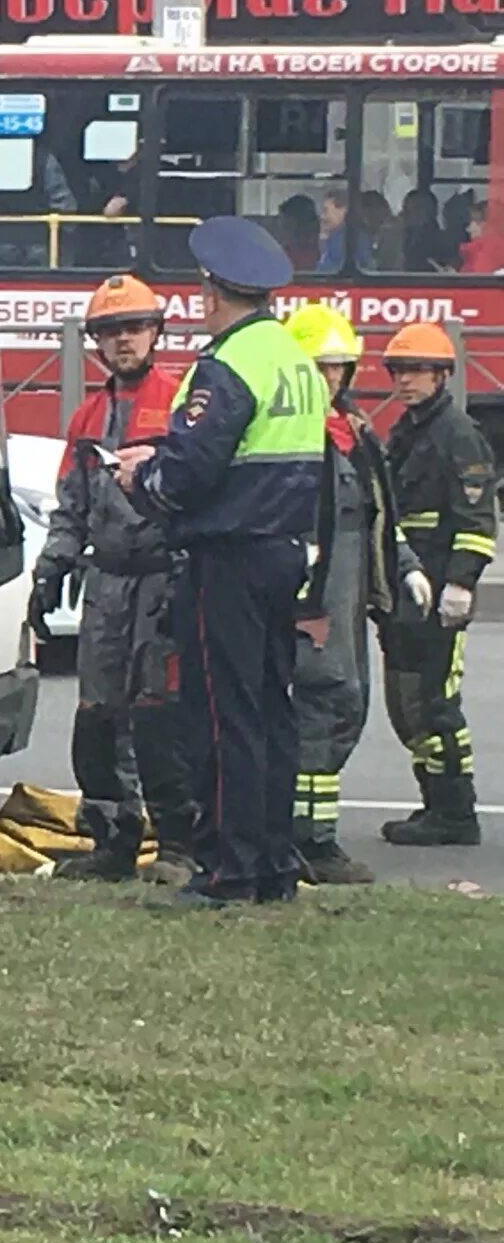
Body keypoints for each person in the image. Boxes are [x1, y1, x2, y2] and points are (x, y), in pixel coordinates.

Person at [115, 216, 325, 907]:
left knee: (219, 715)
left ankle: (225, 871)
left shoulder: (226, 365)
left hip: (226, 556)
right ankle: (272, 865)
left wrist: (141, 478)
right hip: (283, 550)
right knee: (271, 712)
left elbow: (190, 476)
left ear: (212, 292)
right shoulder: (295, 360)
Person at [29, 274, 194, 882]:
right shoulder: (89, 416)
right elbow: (70, 506)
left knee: (160, 719)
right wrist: (51, 570)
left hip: (163, 582)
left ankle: (178, 844)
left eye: (133, 328)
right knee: (96, 719)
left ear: (156, 332)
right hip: (107, 586)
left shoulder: (183, 404)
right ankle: (114, 842)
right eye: (110, 331)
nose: (123, 340)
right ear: (96, 342)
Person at [283, 304, 431, 884]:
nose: (331, 380)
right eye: (319, 369)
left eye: (339, 369)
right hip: (312, 599)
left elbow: (380, 516)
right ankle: (309, 844)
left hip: (350, 596)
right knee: (321, 707)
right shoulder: (293, 437)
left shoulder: (357, 432)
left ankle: (308, 834)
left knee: (347, 708)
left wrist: (408, 566)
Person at [378, 321, 496, 847]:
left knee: (436, 704)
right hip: (407, 593)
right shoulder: (409, 429)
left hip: (439, 595)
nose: (405, 380)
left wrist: (461, 585)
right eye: (398, 370)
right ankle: (432, 802)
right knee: (409, 706)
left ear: (443, 374)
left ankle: (455, 811)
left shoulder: (457, 434)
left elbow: (475, 519)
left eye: (416, 370)